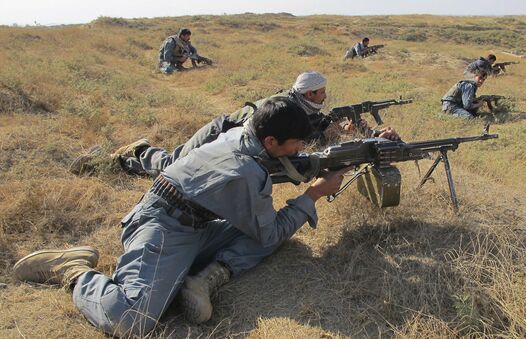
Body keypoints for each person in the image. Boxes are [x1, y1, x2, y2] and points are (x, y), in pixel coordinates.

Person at [13, 98, 349, 337]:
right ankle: (73, 270)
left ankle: (205, 277)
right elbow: (268, 230)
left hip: (192, 221)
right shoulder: (246, 172)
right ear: (271, 140)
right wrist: (313, 194)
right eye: (296, 144)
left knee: (264, 233)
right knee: (131, 320)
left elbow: (270, 179)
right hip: (163, 227)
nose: (300, 148)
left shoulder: (243, 135)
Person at [80, 71, 399, 177]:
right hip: (219, 135)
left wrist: (372, 133)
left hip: (229, 142)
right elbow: (262, 136)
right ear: (307, 93)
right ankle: (119, 159)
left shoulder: (303, 107)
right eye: (320, 93)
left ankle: (141, 150)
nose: (324, 98)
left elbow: (328, 124)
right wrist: (320, 133)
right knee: (173, 169)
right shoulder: (282, 105)